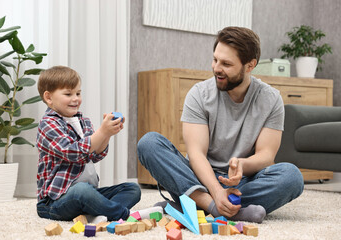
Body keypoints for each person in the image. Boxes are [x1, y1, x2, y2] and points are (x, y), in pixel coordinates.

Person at [137, 27, 304, 223]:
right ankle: (215, 207)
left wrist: (241, 164)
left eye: (226, 63)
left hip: (242, 181)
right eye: (215, 60)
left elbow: (266, 156)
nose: (216, 68)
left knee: (292, 177)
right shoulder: (199, 94)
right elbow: (196, 153)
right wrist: (216, 192)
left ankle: (193, 206)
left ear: (250, 65)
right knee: (149, 143)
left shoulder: (271, 99)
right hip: (198, 178)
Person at [36, 66, 159, 222]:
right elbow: (74, 152)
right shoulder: (48, 124)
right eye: (68, 94)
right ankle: (124, 215)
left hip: (87, 193)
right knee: (82, 191)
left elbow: (95, 155)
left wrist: (106, 134)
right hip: (55, 201)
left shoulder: (83, 121)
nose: (75, 98)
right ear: (49, 98)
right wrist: (102, 131)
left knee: (132, 189)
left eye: (78, 93)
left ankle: (96, 214)